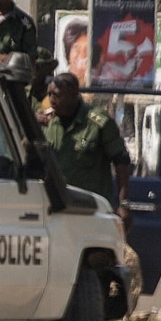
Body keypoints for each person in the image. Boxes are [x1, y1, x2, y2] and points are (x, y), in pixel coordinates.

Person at [41, 73, 131, 230]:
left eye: (56, 95)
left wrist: (123, 203)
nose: (51, 100)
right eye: (49, 95)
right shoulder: (46, 121)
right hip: (55, 210)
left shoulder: (97, 122)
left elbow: (121, 162)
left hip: (91, 210)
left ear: (74, 93)